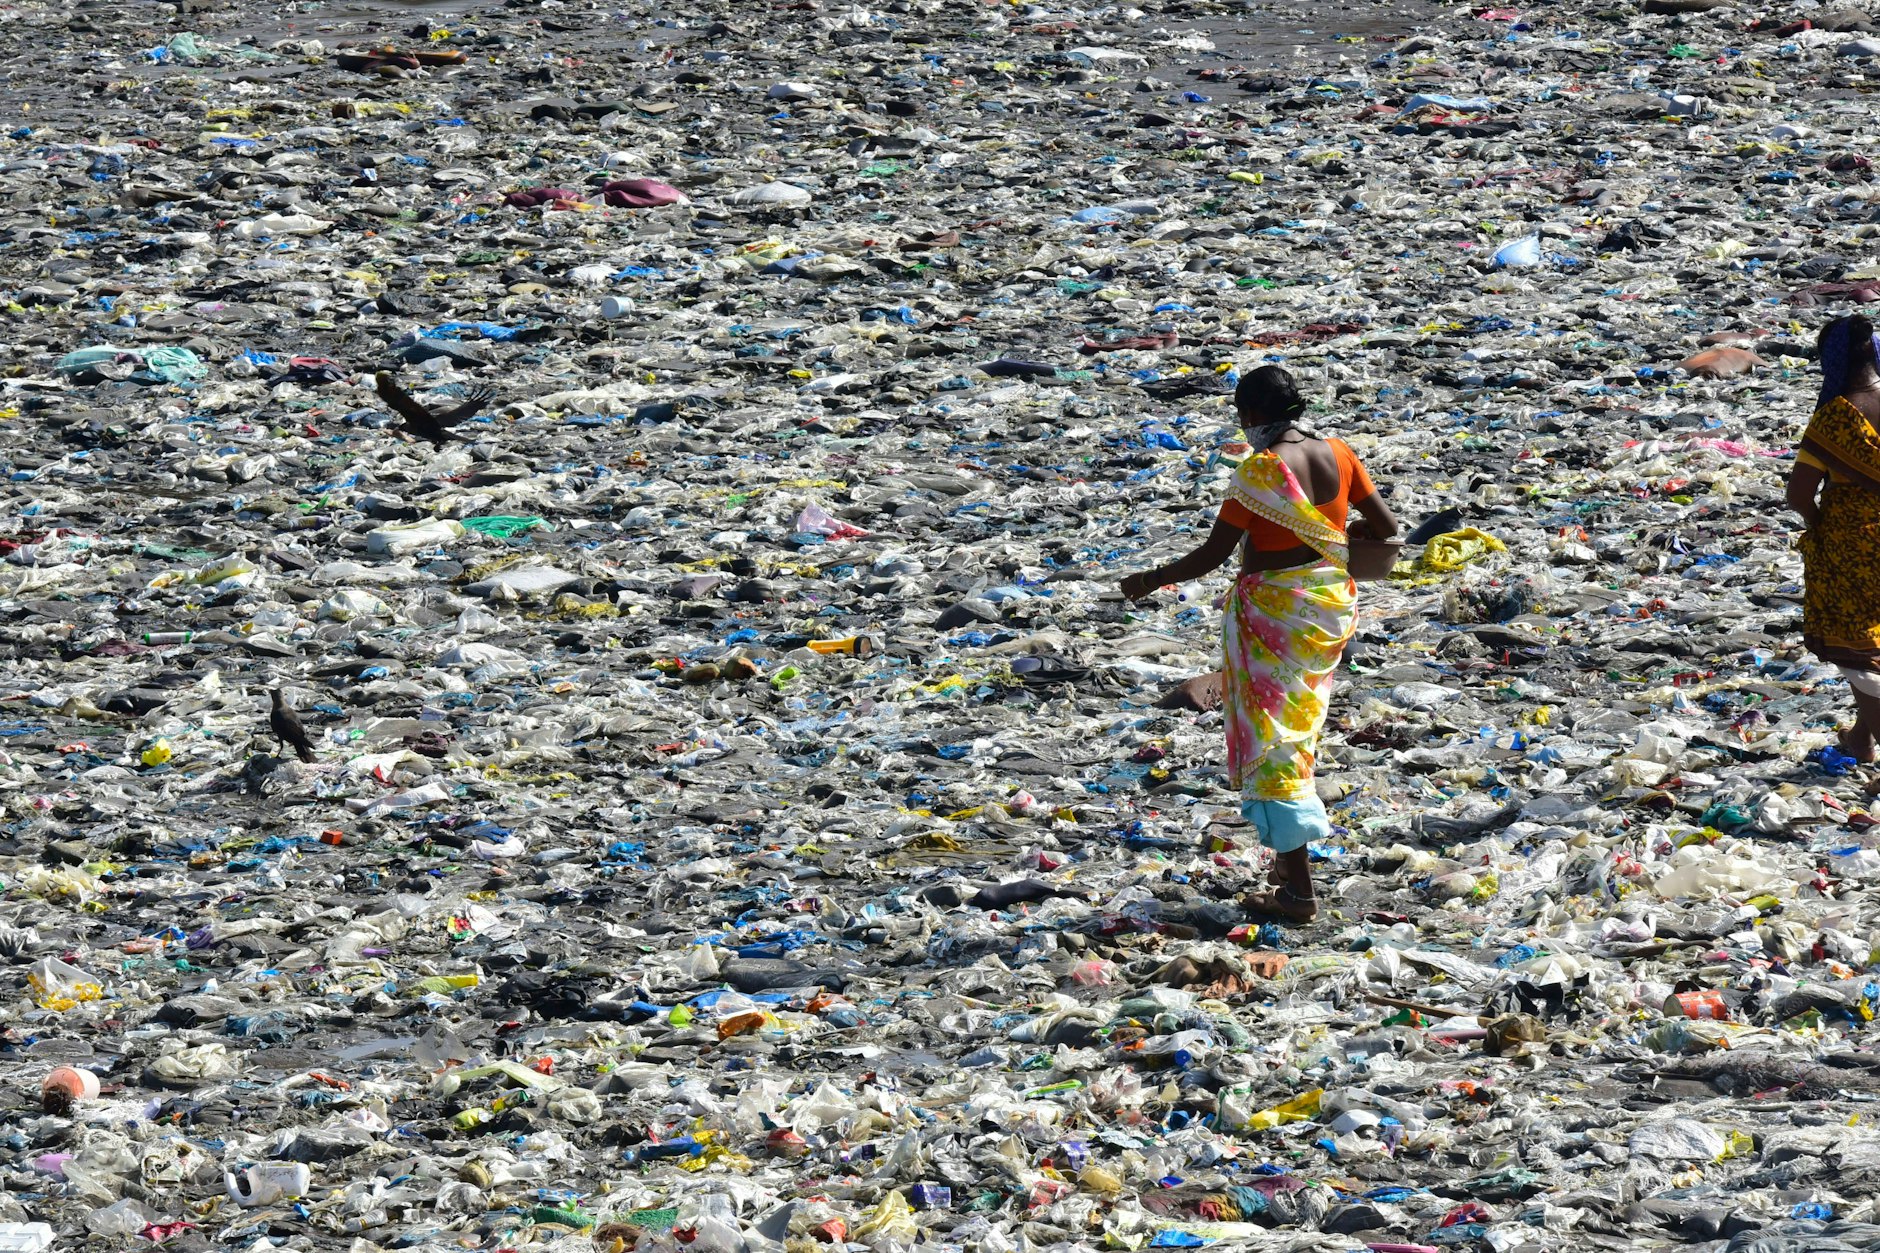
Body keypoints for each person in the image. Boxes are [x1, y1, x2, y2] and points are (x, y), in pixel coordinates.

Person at [1120, 366, 1398, 922]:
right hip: (1324, 612)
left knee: (1275, 743)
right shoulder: (1339, 453)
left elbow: (1212, 555)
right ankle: (1287, 871)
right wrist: (1338, 537)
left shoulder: (1259, 471)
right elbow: (1387, 527)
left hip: (1273, 619)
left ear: (1249, 415)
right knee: (1298, 731)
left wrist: (1149, 579)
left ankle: (1299, 894)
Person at [1787, 314, 1880, 763]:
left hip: (1853, 549)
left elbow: (1799, 494)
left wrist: (1818, 524)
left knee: (1861, 652)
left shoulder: (1836, 417)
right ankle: (1861, 738)